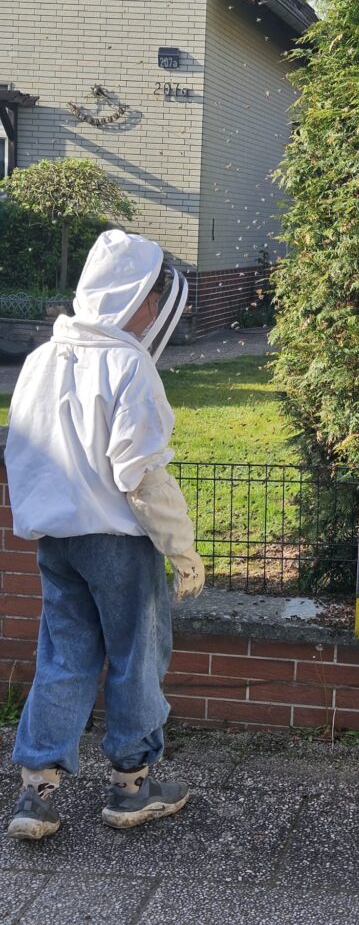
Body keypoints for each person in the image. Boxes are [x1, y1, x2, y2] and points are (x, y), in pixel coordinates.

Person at [4, 228, 205, 841]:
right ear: (133, 296)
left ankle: (36, 792)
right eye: (152, 296)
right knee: (137, 658)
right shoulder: (128, 363)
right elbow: (140, 474)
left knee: (63, 658)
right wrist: (182, 548)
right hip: (118, 543)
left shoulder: (42, 359)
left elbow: (22, 451)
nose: (155, 307)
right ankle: (131, 788)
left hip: (57, 542)